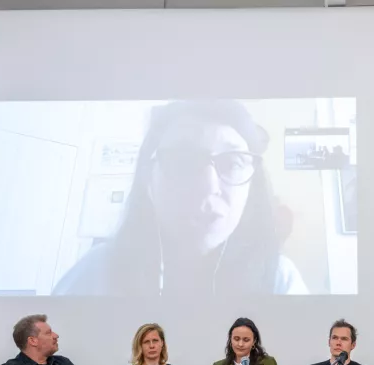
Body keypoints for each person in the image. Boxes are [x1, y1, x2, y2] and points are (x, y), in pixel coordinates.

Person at [53, 100, 307, 296]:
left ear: (253, 186)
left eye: (232, 162)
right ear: (147, 177)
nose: (209, 186)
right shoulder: (98, 272)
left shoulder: (280, 280)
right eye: (184, 161)